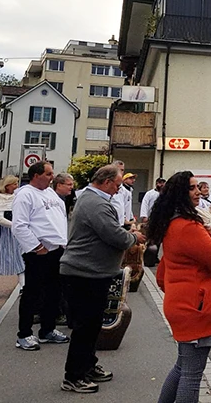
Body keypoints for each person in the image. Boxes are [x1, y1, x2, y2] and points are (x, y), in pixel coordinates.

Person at [59, 165, 145, 394]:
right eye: (117, 185)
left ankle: (87, 365)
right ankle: (73, 377)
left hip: (92, 271)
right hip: (84, 272)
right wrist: (133, 236)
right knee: (85, 327)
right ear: (105, 181)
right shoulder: (95, 203)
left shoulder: (91, 199)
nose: (118, 190)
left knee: (93, 325)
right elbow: (113, 235)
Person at [148, 171, 211, 403]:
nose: (198, 192)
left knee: (182, 367)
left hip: (183, 303)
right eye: (192, 188)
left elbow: (162, 274)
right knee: (192, 376)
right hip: (197, 307)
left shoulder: (171, 223)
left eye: (197, 187)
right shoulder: (188, 226)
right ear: (180, 194)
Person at [11, 160, 69, 351]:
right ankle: (24, 334)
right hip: (38, 252)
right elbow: (19, 225)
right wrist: (36, 246)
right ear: (36, 175)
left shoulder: (50, 193)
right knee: (32, 293)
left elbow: (59, 217)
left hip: (56, 250)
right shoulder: (25, 195)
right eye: (49, 174)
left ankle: (47, 329)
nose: (52, 177)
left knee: (54, 292)